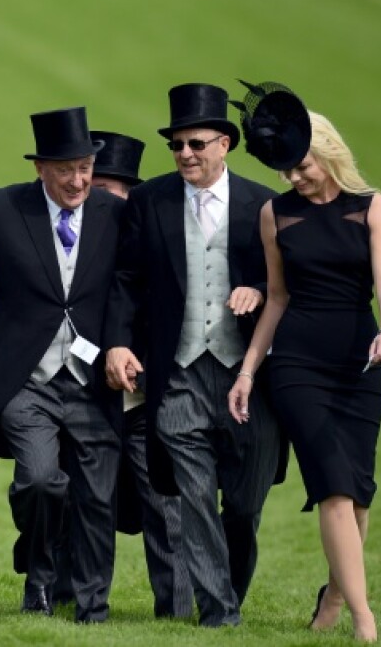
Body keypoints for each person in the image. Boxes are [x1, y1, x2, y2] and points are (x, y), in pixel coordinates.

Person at [0, 131, 192, 619]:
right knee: (41, 482)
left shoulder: (116, 214)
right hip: (27, 380)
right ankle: (40, 576)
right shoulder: (6, 207)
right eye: (67, 170)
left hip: (94, 385)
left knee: (97, 501)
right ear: (41, 168)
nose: (80, 181)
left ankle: (93, 610)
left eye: (86, 169)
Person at [104, 83, 286, 627]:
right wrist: (117, 341)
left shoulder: (263, 204)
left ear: (225, 144)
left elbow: (287, 280)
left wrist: (254, 286)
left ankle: (229, 587)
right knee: (193, 495)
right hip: (177, 372)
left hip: (247, 376)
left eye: (196, 143)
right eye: (177, 145)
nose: (185, 153)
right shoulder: (148, 200)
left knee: (246, 505)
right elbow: (126, 279)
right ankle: (218, 612)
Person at [226, 84, 381, 643]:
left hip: (360, 361)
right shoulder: (276, 215)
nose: (294, 178)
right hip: (297, 364)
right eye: (286, 171)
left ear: (325, 150)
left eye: (301, 166)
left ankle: (333, 594)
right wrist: (250, 370)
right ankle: (364, 618)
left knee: (359, 492)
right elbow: (276, 297)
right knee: (333, 486)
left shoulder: (371, 206)